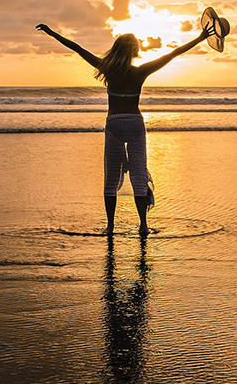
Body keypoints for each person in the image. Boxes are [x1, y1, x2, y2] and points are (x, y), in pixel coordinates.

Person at [35, 22, 214, 236]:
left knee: (111, 177)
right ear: (135, 51)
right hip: (135, 124)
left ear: (117, 48)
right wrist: (201, 37)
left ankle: (110, 226)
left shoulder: (107, 68)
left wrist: (51, 32)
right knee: (139, 175)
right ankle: (143, 225)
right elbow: (174, 53)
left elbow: (77, 48)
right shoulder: (141, 72)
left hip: (114, 125)